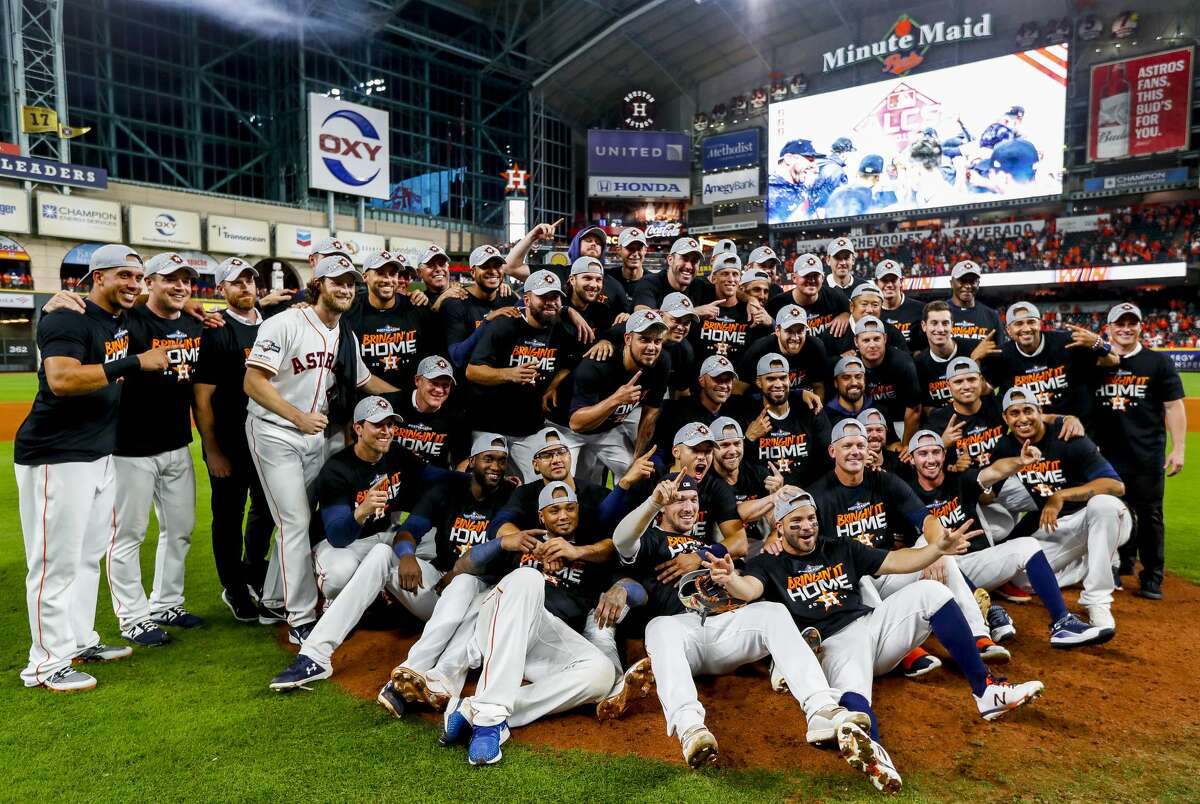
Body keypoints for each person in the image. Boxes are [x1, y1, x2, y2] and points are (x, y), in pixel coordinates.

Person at [710, 488, 1045, 794]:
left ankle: (986, 691)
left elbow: (897, 562)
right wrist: (730, 580)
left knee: (933, 592)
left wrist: (935, 549)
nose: (807, 526)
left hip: (870, 625)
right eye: (796, 521)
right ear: (779, 527)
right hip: (831, 644)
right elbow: (749, 590)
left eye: (811, 518)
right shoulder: (768, 564)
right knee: (856, 699)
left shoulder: (840, 547)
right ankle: (876, 756)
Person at [608, 473, 870, 769]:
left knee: (772, 612)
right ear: (664, 508)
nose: (687, 506)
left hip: (725, 626)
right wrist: (652, 503)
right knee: (657, 629)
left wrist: (746, 560)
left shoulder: (708, 546)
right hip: (682, 631)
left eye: (693, 500)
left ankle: (821, 708)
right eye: (678, 500)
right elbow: (622, 539)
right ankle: (691, 729)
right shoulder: (651, 540)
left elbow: (746, 561)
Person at [14, 245, 165, 691]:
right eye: (125, 276)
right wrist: (135, 361)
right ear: (97, 277)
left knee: (86, 557)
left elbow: (162, 306)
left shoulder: (117, 317)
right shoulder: (66, 316)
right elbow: (61, 380)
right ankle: (44, 664)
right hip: (56, 454)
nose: (134, 284)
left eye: (138, 278)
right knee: (53, 563)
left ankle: (78, 640)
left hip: (98, 453)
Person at [268, 414, 493, 692]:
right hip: (412, 580)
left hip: (478, 604)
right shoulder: (341, 469)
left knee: (452, 578)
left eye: (499, 461)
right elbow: (403, 529)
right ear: (472, 462)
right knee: (377, 555)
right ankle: (315, 654)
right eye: (487, 459)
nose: (493, 467)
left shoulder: (512, 501)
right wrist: (406, 554)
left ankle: (417, 668)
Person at [243, 255, 400, 643]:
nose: (345, 288)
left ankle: (273, 599)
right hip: (274, 430)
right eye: (336, 282)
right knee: (294, 522)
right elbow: (253, 382)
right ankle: (299, 618)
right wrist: (297, 416)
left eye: (350, 282)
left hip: (312, 434)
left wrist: (411, 398)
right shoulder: (284, 323)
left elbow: (366, 382)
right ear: (318, 285)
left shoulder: (343, 332)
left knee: (301, 521)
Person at [438, 482, 617, 766]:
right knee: (528, 578)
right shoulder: (523, 541)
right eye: (554, 510)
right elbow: (466, 566)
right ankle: (489, 721)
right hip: (502, 625)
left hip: (544, 636)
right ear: (541, 516)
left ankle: (472, 709)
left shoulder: (590, 546)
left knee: (601, 674)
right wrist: (504, 543)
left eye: (570, 508)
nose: (563, 516)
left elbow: (614, 548)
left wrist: (576, 552)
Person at [805, 419, 1005, 671]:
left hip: (890, 569)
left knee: (934, 545)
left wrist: (937, 548)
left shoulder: (884, 481)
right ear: (833, 451)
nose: (855, 451)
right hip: (853, 583)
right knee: (853, 572)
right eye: (847, 446)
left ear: (869, 451)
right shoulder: (817, 494)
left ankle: (977, 634)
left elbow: (927, 520)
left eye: (860, 445)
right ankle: (906, 654)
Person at [904, 429, 1115, 648]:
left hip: (977, 562)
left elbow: (994, 471)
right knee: (936, 553)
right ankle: (987, 617)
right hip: (940, 572)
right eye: (923, 454)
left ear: (943, 455)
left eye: (936, 452)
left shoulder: (961, 479)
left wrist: (1020, 461)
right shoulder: (905, 492)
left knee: (1028, 545)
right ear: (911, 459)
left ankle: (1062, 623)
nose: (931, 459)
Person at [104, 252, 205, 645]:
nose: (180, 287)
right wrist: (63, 300)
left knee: (179, 530)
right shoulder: (129, 320)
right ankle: (132, 617)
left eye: (186, 281)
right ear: (151, 283)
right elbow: (92, 313)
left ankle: (167, 603)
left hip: (177, 443)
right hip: (130, 448)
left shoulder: (197, 323)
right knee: (128, 534)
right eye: (170, 279)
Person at [990, 387, 1131, 631]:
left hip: (1097, 517)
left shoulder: (1067, 437)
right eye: (1014, 413)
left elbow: (1116, 486)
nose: (1022, 418)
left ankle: (1097, 600)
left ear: (1040, 412)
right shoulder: (1006, 447)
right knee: (1020, 579)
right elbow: (987, 495)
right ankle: (1087, 562)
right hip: (1059, 528)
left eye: (1028, 411)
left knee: (1103, 505)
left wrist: (1060, 496)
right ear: (1006, 419)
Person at [193, 257, 274, 622]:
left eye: (249, 281)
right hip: (230, 440)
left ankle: (253, 568)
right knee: (227, 516)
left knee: (267, 509)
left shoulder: (274, 325)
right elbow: (203, 396)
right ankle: (234, 588)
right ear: (221, 290)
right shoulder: (215, 328)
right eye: (236, 282)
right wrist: (212, 451)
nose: (245, 288)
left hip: (270, 438)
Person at [1096, 303, 1186, 599]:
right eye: (1119, 323)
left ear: (1140, 326)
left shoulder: (1157, 363)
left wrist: (1179, 448)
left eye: (1131, 322)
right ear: (1108, 328)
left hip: (1145, 456)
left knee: (1149, 517)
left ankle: (1152, 577)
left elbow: (1173, 405)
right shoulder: (1094, 363)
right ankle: (1118, 565)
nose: (1125, 328)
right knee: (1109, 516)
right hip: (1104, 458)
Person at [465, 269, 580, 482]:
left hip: (529, 427)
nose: (550, 302)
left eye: (554, 297)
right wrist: (510, 374)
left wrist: (553, 385)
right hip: (489, 425)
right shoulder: (504, 325)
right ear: (526, 299)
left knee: (544, 484)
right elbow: (473, 371)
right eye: (543, 297)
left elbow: (571, 362)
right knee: (487, 487)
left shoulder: (561, 332)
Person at [560, 310, 669, 483]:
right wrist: (616, 399)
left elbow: (650, 414)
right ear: (627, 340)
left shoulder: (661, 363)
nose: (652, 347)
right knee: (560, 481)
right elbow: (576, 424)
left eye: (657, 341)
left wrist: (636, 458)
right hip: (565, 429)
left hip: (606, 430)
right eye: (644, 339)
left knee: (635, 474)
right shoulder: (598, 364)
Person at [978, 301, 1117, 420]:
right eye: (1019, 324)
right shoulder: (1000, 356)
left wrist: (1099, 344)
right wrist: (975, 359)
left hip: (1075, 427)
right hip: (1031, 433)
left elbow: (1113, 360)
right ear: (1008, 330)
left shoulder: (1068, 342)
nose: (1026, 328)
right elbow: (981, 390)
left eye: (1031, 322)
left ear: (1040, 323)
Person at [346, 250, 442, 393]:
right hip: (365, 402)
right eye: (380, 273)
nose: (388, 279)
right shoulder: (349, 312)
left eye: (393, 274)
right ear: (365, 276)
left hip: (412, 401)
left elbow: (434, 355)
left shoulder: (416, 307)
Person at [739, 352, 831, 487]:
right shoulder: (747, 413)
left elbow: (828, 455)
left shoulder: (810, 409)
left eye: (783, 378)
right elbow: (735, 465)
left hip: (807, 494)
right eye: (771, 379)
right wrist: (748, 439)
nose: (778, 384)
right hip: (764, 496)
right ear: (759, 382)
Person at [653, 355, 737, 466]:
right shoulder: (676, 411)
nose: (723, 385)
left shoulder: (736, 412)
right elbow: (659, 452)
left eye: (728, 380)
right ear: (702, 381)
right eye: (717, 379)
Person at [390, 355, 471, 469]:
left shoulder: (456, 416)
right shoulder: (391, 404)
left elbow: (463, 459)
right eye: (434, 383)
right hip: (393, 478)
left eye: (445, 385)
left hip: (433, 480)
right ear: (417, 381)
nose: (439, 390)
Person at [850, 316, 921, 445]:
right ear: (856, 342)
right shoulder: (851, 365)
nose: (872, 345)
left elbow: (914, 410)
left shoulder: (903, 363)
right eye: (866, 340)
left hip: (900, 419)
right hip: (866, 422)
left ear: (885, 339)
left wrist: (905, 446)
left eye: (877, 339)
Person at [690, 252, 771, 365]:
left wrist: (771, 324)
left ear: (739, 279)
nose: (731, 279)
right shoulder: (702, 306)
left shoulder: (751, 311)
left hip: (738, 379)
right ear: (713, 278)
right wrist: (693, 313)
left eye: (735, 274)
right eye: (725, 274)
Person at [736, 304, 827, 399]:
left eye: (800, 331)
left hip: (801, 401)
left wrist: (817, 410)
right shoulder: (760, 349)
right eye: (789, 331)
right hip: (764, 403)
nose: (795, 338)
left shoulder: (815, 347)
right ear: (777, 331)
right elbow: (738, 388)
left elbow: (818, 386)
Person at [440, 245, 519, 353]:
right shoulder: (455, 303)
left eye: (497, 266)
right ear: (473, 272)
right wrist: (487, 322)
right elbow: (456, 355)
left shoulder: (510, 299)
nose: (493, 271)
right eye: (485, 266)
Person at [764, 252, 850, 340]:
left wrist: (847, 314)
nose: (811, 280)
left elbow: (855, 309)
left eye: (815, 275)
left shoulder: (834, 295)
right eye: (806, 276)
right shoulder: (777, 304)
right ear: (794, 278)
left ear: (822, 278)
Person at [632, 237, 718, 311]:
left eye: (694, 261)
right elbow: (644, 317)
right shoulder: (650, 283)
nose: (689, 266)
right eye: (684, 258)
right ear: (670, 260)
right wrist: (694, 312)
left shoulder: (701, 287)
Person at [946, 260, 1004, 352]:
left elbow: (999, 352)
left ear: (978, 284)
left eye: (972, 281)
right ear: (951, 283)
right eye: (962, 280)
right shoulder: (937, 312)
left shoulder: (992, 316)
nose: (968, 285)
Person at [913, 301, 961, 410]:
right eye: (934, 323)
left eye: (945, 323)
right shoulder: (918, 364)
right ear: (924, 326)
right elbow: (926, 408)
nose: (940, 329)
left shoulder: (971, 351)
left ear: (952, 325)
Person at [768, 139, 824, 223]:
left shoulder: (804, 188)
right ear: (789, 159)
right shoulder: (768, 190)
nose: (814, 165)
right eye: (810, 159)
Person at [875, 259, 925, 350]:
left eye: (893, 280)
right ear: (876, 283)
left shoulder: (921, 309)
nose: (889, 284)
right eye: (884, 280)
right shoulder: (872, 313)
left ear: (901, 281)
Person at [416, 243, 466, 311]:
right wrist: (443, 297)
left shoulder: (465, 294)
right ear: (419, 273)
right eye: (431, 265)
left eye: (442, 264)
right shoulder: (418, 302)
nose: (438, 269)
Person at [607, 227, 647, 298]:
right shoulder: (608, 278)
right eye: (630, 248)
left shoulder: (652, 281)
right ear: (618, 250)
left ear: (645, 250)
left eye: (639, 249)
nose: (635, 253)